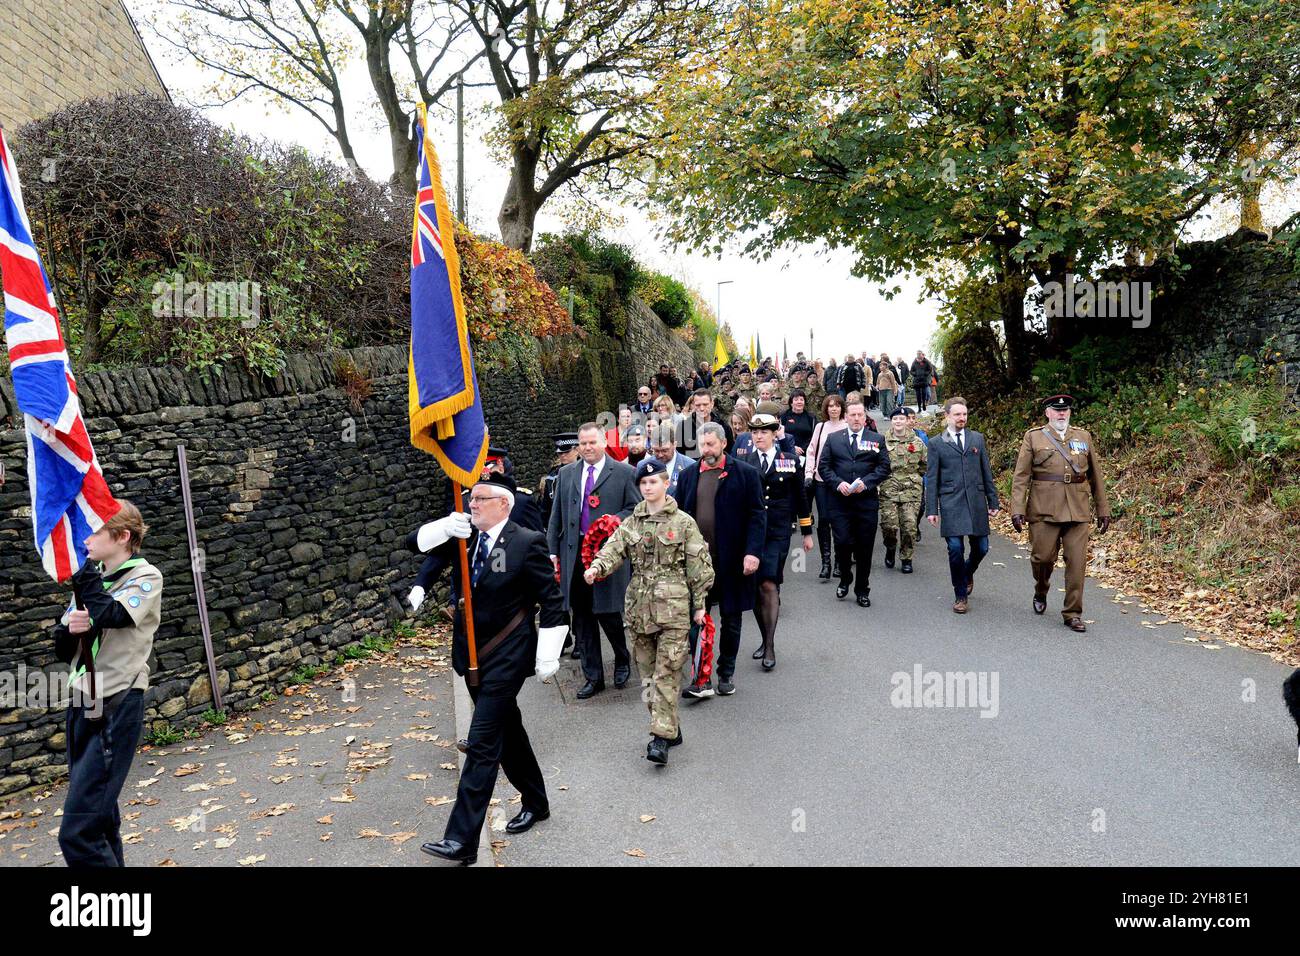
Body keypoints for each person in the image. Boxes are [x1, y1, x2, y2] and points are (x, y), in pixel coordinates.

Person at [411, 473, 568, 865]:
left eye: (481, 498)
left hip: (506, 656)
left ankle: (461, 840)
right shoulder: (463, 536)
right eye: (470, 498)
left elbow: (552, 600)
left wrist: (549, 653)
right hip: (469, 654)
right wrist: (441, 528)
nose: (472, 504)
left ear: (505, 504)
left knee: (481, 744)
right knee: (508, 732)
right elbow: (413, 546)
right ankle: (537, 801)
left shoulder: (526, 542)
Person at [52, 501, 162, 867]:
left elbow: (114, 614)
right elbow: (63, 648)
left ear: (123, 536)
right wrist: (69, 630)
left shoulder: (145, 576)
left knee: (78, 833)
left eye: (94, 530)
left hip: (116, 701)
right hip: (82, 702)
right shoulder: (94, 579)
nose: (85, 538)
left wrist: (82, 575)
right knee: (100, 821)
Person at [585, 458, 714, 765]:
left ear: (666, 483)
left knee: (667, 671)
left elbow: (699, 567)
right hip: (640, 609)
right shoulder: (632, 523)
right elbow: (614, 548)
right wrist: (597, 568)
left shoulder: (683, 522)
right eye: (643, 483)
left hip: (674, 610)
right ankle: (671, 728)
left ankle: (660, 738)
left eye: (653, 482)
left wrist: (700, 606)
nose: (647, 487)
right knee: (647, 676)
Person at [547, 423, 641, 698]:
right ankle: (593, 676)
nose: (587, 448)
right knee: (583, 618)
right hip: (574, 555)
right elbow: (557, 516)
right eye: (583, 443)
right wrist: (553, 551)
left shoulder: (624, 472)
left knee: (609, 613)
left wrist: (615, 521)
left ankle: (622, 658)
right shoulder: (566, 474)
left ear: (603, 443)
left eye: (592, 443)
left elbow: (635, 509)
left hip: (608, 555)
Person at [674, 422, 766, 697]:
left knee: (731, 617)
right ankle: (701, 677)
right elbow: (679, 514)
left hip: (733, 559)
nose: (706, 449)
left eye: (711, 444)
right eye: (702, 445)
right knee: (697, 618)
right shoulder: (690, 474)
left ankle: (726, 671)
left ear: (724, 443)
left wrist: (752, 552)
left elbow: (757, 515)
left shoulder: (746, 474)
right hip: (697, 563)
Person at [1010, 394, 1111, 632]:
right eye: (1057, 411)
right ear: (1048, 413)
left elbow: (1095, 476)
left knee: (1077, 564)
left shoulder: (1083, 437)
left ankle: (1072, 613)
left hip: (1078, 509)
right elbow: (1021, 477)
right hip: (1044, 509)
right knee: (1042, 558)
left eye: (1065, 411)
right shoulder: (1033, 437)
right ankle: (1041, 587)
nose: (1062, 414)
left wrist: (1103, 509)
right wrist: (1017, 509)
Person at [732, 413, 813, 669]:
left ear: (773, 434)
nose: (758, 436)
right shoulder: (743, 460)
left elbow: (800, 496)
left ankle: (769, 646)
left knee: (769, 582)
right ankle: (764, 637)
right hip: (751, 533)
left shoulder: (789, 461)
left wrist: (807, 531)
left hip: (778, 531)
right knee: (755, 586)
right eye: (755, 432)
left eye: (764, 432)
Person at [924, 397, 1000, 614]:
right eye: (957, 414)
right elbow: (932, 478)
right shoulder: (936, 443)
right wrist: (932, 509)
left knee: (982, 548)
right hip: (951, 503)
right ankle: (960, 595)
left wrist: (992, 501)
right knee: (955, 548)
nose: (962, 418)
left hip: (975, 502)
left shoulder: (977, 439)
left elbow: (986, 472)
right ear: (947, 416)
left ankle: (967, 573)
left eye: (964, 414)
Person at [817, 401, 891, 607]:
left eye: (860, 415)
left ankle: (862, 589)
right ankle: (845, 578)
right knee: (842, 543)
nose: (857, 418)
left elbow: (884, 467)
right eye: (853, 415)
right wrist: (837, 483)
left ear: (865, 417)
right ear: (846, 417)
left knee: (864, 548)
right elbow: (824, 467)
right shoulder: (833, 439)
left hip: (865, 503)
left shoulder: (876, 439)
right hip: (840, 502)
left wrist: (866, 483)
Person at [805, 394, 849, 580]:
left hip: (840, 482)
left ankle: (840, 562)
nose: (833, 409)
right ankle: (826, 562)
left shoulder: (847, 426)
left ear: (841, 408)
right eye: (830, 406)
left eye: (837, 406)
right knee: (824, 520)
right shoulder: (820, 427)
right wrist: (808, 473)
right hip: (821, 480)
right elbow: (811, 451)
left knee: (839, 521)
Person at [879, 407, 928, 573]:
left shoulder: (918, 443)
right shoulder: (881, 442)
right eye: (895, 419)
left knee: (909, 526)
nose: (898, 422)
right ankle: (891, 548)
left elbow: (924, 466)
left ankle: (907, 558)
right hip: (889, 487)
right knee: (889, 525)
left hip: (911, 489)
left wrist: (913, 478)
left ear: (908, 421)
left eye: (902, 418)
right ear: (892, 421)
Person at [535, 431, 579, 532]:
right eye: (560, 453)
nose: (562, 455)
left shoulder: (587, 472)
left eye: (566, 452)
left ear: (577, 450)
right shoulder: (552, 477)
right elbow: (545, 508)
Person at [680, 388, 734, 459]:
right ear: (693, 405)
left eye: (705, 404)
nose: (702, 408)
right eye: (698, 405)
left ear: (712, 404)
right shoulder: (683, 427)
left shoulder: (723, 426)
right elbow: (680, 456)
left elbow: (730, 453)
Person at [649, 422, 695, 498]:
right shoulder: (643, 465)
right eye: (656, 451)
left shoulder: (690, 466)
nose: (660, 455)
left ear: (675, 445)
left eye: (665, 450)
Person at [780, 389, 817, 459]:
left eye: (801, 400)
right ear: (791, 403)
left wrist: (803, 448)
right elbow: (780, 435)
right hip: (787, 452)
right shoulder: (783, 416)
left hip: (807, 453)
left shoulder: (811, 417)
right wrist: (793, 447)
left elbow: (814, 436)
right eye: (796, 400)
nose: (799, 402)